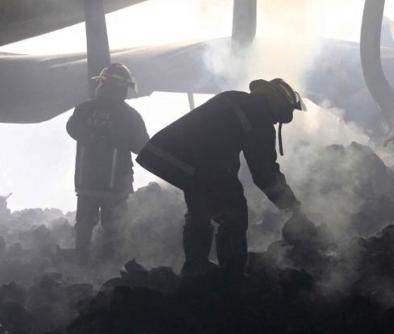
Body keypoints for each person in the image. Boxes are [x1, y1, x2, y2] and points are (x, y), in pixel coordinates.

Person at [137, 78, 307, 276]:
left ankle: (196, 269)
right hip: (193, 160)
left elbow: (217, 146)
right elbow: (264, 173)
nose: (279, 120)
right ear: (279, 104)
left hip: (162, 153)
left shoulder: (235, 98)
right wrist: (292, 206)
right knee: (234, 211)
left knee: (202, 204)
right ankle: (231, 275)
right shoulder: (259, 115)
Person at [67, 63, 149, 263]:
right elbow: (143, 148)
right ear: (121, 88)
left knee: (85, 228)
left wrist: (95, 136)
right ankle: (108, 269)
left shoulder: (84, 110)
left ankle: (82, 266)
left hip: (87, 183)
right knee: (114, 231)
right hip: (115, 186)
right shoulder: (129, 116)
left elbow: (71, 128)